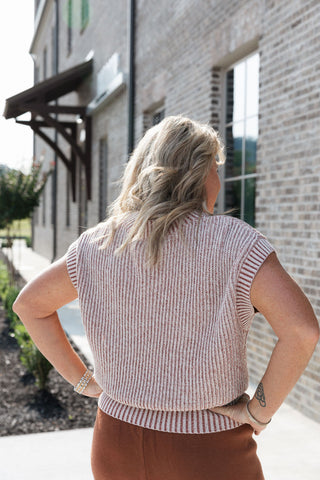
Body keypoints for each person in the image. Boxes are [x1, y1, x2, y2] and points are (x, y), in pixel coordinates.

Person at [13, 115, 319, 480]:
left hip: (116, 440)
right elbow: (301, 331)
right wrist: (258, 413)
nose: (218, 181)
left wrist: (85, 382)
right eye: (215, 169)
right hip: (210, 450)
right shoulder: (235, 243)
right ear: (199, 174)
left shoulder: (99, 243)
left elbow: (29, 305)